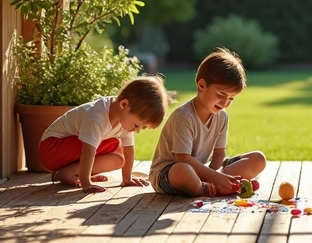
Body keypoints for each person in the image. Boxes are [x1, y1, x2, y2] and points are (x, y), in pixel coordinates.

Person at [150, 48, 267, 197]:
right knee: (184, 170)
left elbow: (219, 153)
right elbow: (183, 158)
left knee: (258, 159)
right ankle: (205, 189)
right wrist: (217, 178)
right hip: (170, 174)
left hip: (205, 169)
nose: (225, 102)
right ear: (202, 85)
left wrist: (217, 174)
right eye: (221, 95)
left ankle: (218, 184)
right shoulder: (184, 116)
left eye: (231, 98)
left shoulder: (222, 117)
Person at [40, 76, 169, 194]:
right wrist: (86, 183)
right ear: (124, 104)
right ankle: (76, 174)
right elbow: (88, 150)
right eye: (136, 125)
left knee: (118, 158)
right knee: (111, 143)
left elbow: (129, 149)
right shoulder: (96, 116)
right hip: (51, 148)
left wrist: (127, 178)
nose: (137, 130)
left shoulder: (123, 120)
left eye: (142, 127)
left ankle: (69, 173)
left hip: (69, 151)